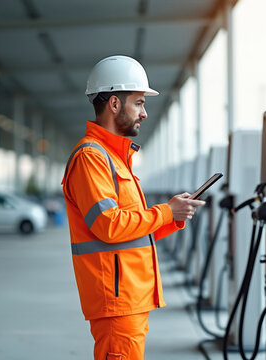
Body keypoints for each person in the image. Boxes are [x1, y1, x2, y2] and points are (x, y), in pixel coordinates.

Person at [61, 55, 206, 360]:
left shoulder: (114, 159)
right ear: (114, 104)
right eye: (139, 103)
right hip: (117, 301)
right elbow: (109, 225)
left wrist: (173, 217)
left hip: (129, 298)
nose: (144, 113)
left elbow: (132, 232)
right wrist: (166, 211)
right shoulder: (91, 158)